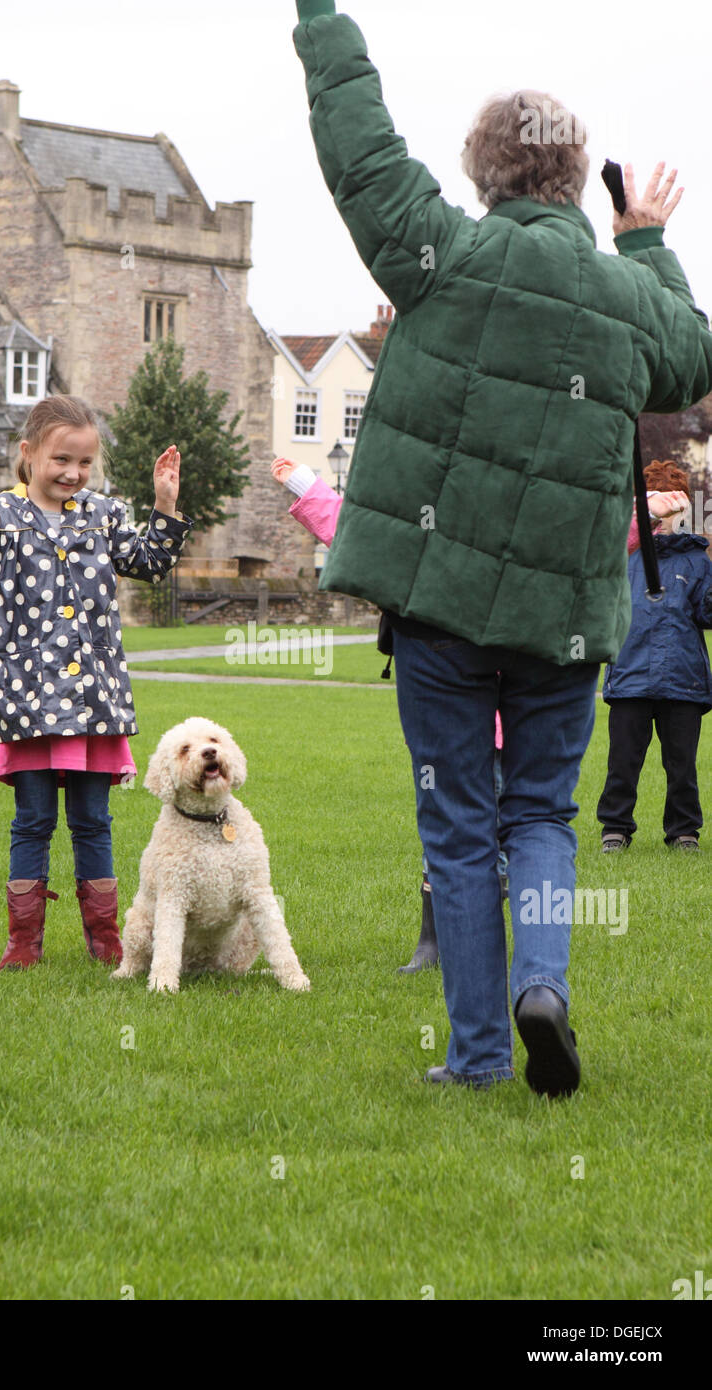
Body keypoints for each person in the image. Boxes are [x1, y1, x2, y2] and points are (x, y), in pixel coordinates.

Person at [291, 1, 712, 1094]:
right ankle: (545, 989)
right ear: (577, 182)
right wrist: (647, 242)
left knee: (457, 825)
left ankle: (475, 1053)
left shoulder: (440, 252)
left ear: (478, 175)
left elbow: (359, 146)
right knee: (540, 814)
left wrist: (319, 17)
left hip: (436, 616)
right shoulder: (626, 296)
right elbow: (689, 354)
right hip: (565, 624)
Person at [0, 393, 192, 971]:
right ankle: (23, 941)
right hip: (28, 702)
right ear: (28, 454)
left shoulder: (104, 515)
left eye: (84, 463)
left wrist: (165, 505)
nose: (73, 474)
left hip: (93, 702)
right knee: (32, 820)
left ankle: (106, 938)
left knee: (93, 821)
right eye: (62, 460)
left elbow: (151, 563)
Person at [270, 455, 507, 972]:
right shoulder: (424, 522)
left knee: (509, 829)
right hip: (450, 717)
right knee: (449, 824)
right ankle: (439, 938)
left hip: (516, 714)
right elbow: (362, 538)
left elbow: (579, 539)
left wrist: (642, 513)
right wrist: (309, 486)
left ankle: (495, 942)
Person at [598, 461, 712, 853]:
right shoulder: (620, 557)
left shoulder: (697, 561)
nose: (668, 519)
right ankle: (615, 827)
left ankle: (683, 831)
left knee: (681, 765)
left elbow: (706, 613)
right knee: (623, 762)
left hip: (683, 678)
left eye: (676, 510)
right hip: (630, 673)